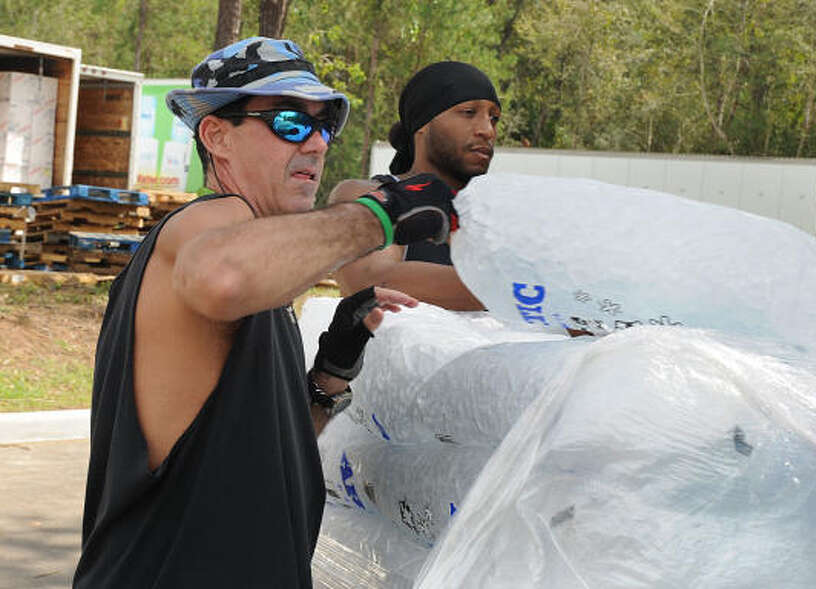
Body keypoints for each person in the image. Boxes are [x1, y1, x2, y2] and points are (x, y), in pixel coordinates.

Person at [73, 37, 458, 589]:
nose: (318, 145)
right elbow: (221, 274)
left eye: (325, 127)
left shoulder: (262, 279)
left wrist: (330, 371)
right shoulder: (209, 223)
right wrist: (384, 212)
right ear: (216, 135)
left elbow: (260, 462)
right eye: (290, 123)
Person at [330, 61, 502, 311]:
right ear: (423, 123)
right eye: (468, 112)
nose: (487, 130)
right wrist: (525, 291)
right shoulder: (369, 195)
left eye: (494, 118)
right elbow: (373, 279)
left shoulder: (495, 217)